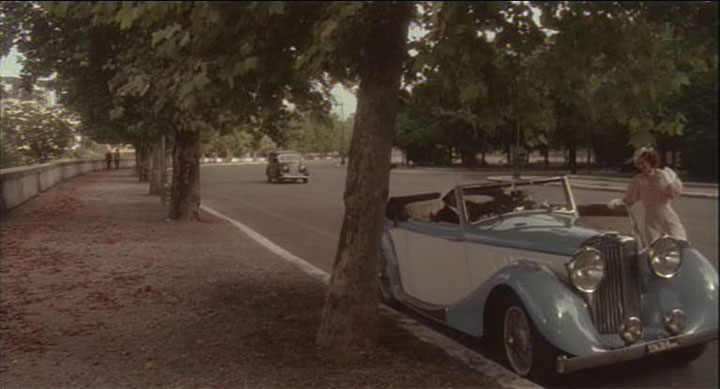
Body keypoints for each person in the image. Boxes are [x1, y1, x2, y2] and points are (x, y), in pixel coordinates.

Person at [608, 147, 687, 243]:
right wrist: (617, 202)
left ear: (651, 161)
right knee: (655, 248)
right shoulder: (637, 180)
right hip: (651, 219)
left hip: (667, 215)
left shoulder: (664, 175)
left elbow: (675, 193)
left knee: (678, 243)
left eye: (644, 162)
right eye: (639, 163)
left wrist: (670, 180)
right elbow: (629, 199)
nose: (643, 165)